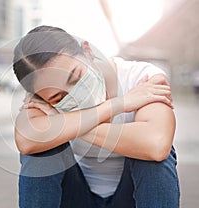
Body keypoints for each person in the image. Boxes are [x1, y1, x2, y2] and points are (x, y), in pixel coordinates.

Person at [13, 25, 179, 208]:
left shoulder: (141, 78)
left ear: (87, 51)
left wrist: (62, 124)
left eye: (76, 77)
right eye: (59, 97)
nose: (74, 94)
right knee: (39, 153)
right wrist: (116, 105)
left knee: (152, 158)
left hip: (132, 198)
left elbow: (157, 145)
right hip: (76, 198)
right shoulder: (40, 99)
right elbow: (26, 141)